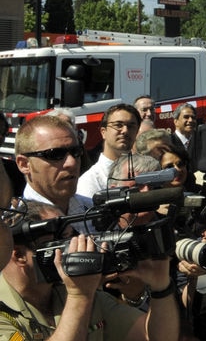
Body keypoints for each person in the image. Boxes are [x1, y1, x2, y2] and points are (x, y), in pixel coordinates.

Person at [0, 200, 180, 340]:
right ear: (19, 255)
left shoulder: (77, 293)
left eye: (72, 237)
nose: (74, 248)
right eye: (59, 242)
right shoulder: (4, 311)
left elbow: (153, 337)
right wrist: (79, 296)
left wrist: (160, 286)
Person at [15, 115, 93, 217]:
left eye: (76, 152)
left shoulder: (93, 209)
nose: (71, 162)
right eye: (55, 154)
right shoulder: (11, 227)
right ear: (24, 164)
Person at [77, 104, 141, 198]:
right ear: (103, 132)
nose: (125, 130)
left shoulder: (144, 171)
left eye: (131, 126)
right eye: (118, 125)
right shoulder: (90, 181)